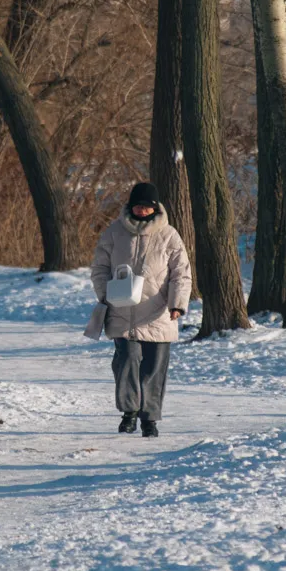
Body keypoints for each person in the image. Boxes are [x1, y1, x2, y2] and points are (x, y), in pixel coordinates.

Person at [91, 182, 192, 438]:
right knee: (126, 361)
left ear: (155, 208)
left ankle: (150, 418)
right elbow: (100, 267)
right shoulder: (114, 232)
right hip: (122, 312)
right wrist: (105, 293)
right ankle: (129, 413)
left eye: (147, 206)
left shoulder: (169, 235)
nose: (142, 210)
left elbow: (182, 273)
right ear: (130, 206)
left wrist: (177, 304)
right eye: (138, 205)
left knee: (154, 369)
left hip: (157, 312)